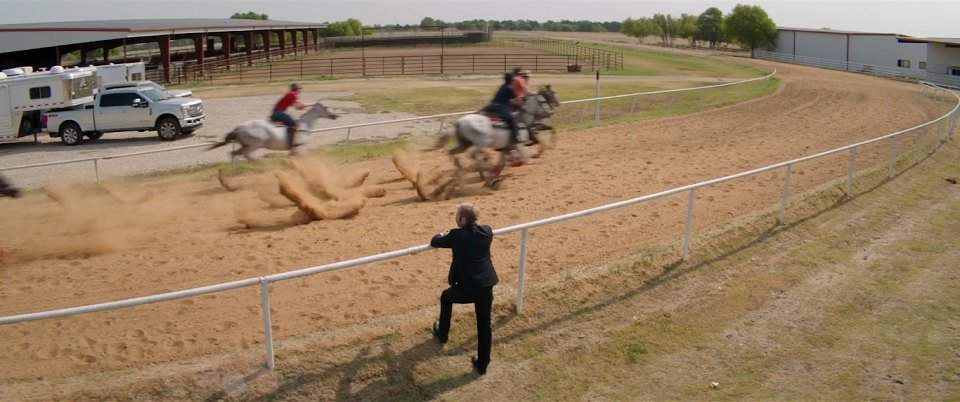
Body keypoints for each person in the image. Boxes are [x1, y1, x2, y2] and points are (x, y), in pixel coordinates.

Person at [430, 203, 499, 375]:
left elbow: (435, 241)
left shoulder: (456, 235)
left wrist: (442, 233)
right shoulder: (487, 231)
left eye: (457, 215)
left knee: (446, 297)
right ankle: (483, 364)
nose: (455, 218)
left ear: (462, 219)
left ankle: (443, 333)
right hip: (486, 286)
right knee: (485, 325)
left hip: (468, 287)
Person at [483, 73, 520, 148]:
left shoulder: (501, 87)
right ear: (511, 80)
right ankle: (515, 140)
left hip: (491, 106)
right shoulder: (510, 88)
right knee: (512, 120)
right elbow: (516, 100)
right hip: (500, 107)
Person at [270, 83, 307, 149]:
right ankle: (291, 144)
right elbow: (297, 107)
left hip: (277, 112)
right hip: (278, 113)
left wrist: (302, 106)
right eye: (299, 89)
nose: (300, 91)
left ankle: (288, 140)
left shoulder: (291, 94)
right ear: (296, 89)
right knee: (295, 125)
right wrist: (303, 107)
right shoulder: (292, 94)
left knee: (291, 123)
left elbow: (297, 104)